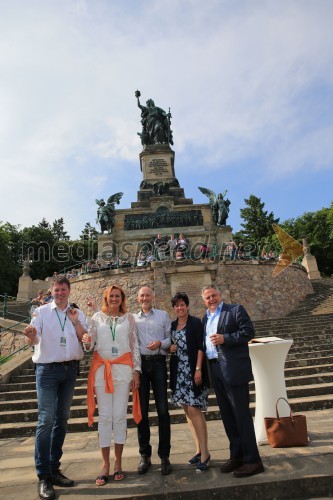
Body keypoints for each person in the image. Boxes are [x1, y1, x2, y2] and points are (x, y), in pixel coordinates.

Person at [23, 276, 87, 500]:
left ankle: (54, 468)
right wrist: (30, 337)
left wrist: (77, 321)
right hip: (47, 371)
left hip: (70, 371)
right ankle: (43, 477)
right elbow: (33, 338)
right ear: (52, 292)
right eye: (56, 290)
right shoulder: (41, 313)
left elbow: (84, 339)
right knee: (46, 420)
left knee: (62, 419)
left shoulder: (76, 312)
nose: (60, 293)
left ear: (69, 291)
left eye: (63, 289)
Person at [201, 285, 265, 478]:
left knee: (241, 415)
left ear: (220, 296)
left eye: (214, 295)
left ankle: (253, 460)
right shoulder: (205, 318)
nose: (211, 299)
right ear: (203, 301)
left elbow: (248, 332)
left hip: (233, 369)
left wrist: (225, 338)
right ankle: (237, 456)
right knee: (228, 416)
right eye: (207, 297)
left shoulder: (235, 310)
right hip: (215, 369)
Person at [82, 285, 141, 486]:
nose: (114, 299)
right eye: (110, 296)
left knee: (119, 417)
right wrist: (87, 338)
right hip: (101, 372)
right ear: (105, 298)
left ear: (122, 298)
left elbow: (134, 346)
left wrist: (136, 371)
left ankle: (118, 463)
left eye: (117, 296)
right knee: (105, 417)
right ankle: (105, 464)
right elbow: (89, 345)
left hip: (123, 372)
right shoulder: (97, 317)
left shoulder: (130, 318)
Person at [133, 286, 172, 475]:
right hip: (140, 366)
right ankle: (144, 455)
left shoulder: (163, 316)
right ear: (138, 298)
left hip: (158, 364)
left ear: (153, 297)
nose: (145, 298)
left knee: (163, 411)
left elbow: (169, 339)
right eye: (142, 295)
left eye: (148, 295)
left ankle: (164, 456)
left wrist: (160, 344)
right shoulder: (133, 318)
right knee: (142, 413)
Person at [169, 292, 210, 473]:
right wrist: (170, 347)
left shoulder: (195, 323)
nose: (180, 307)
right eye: (177, 305)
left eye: (182, 304)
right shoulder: (172, 325)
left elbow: (201, 347)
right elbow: (171, 346)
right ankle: (198, 450)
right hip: (179, 373)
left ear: (187, 306)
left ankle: (206, 453)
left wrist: (198, 369)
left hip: (193, 371)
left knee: (195, 409)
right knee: (187, 410)